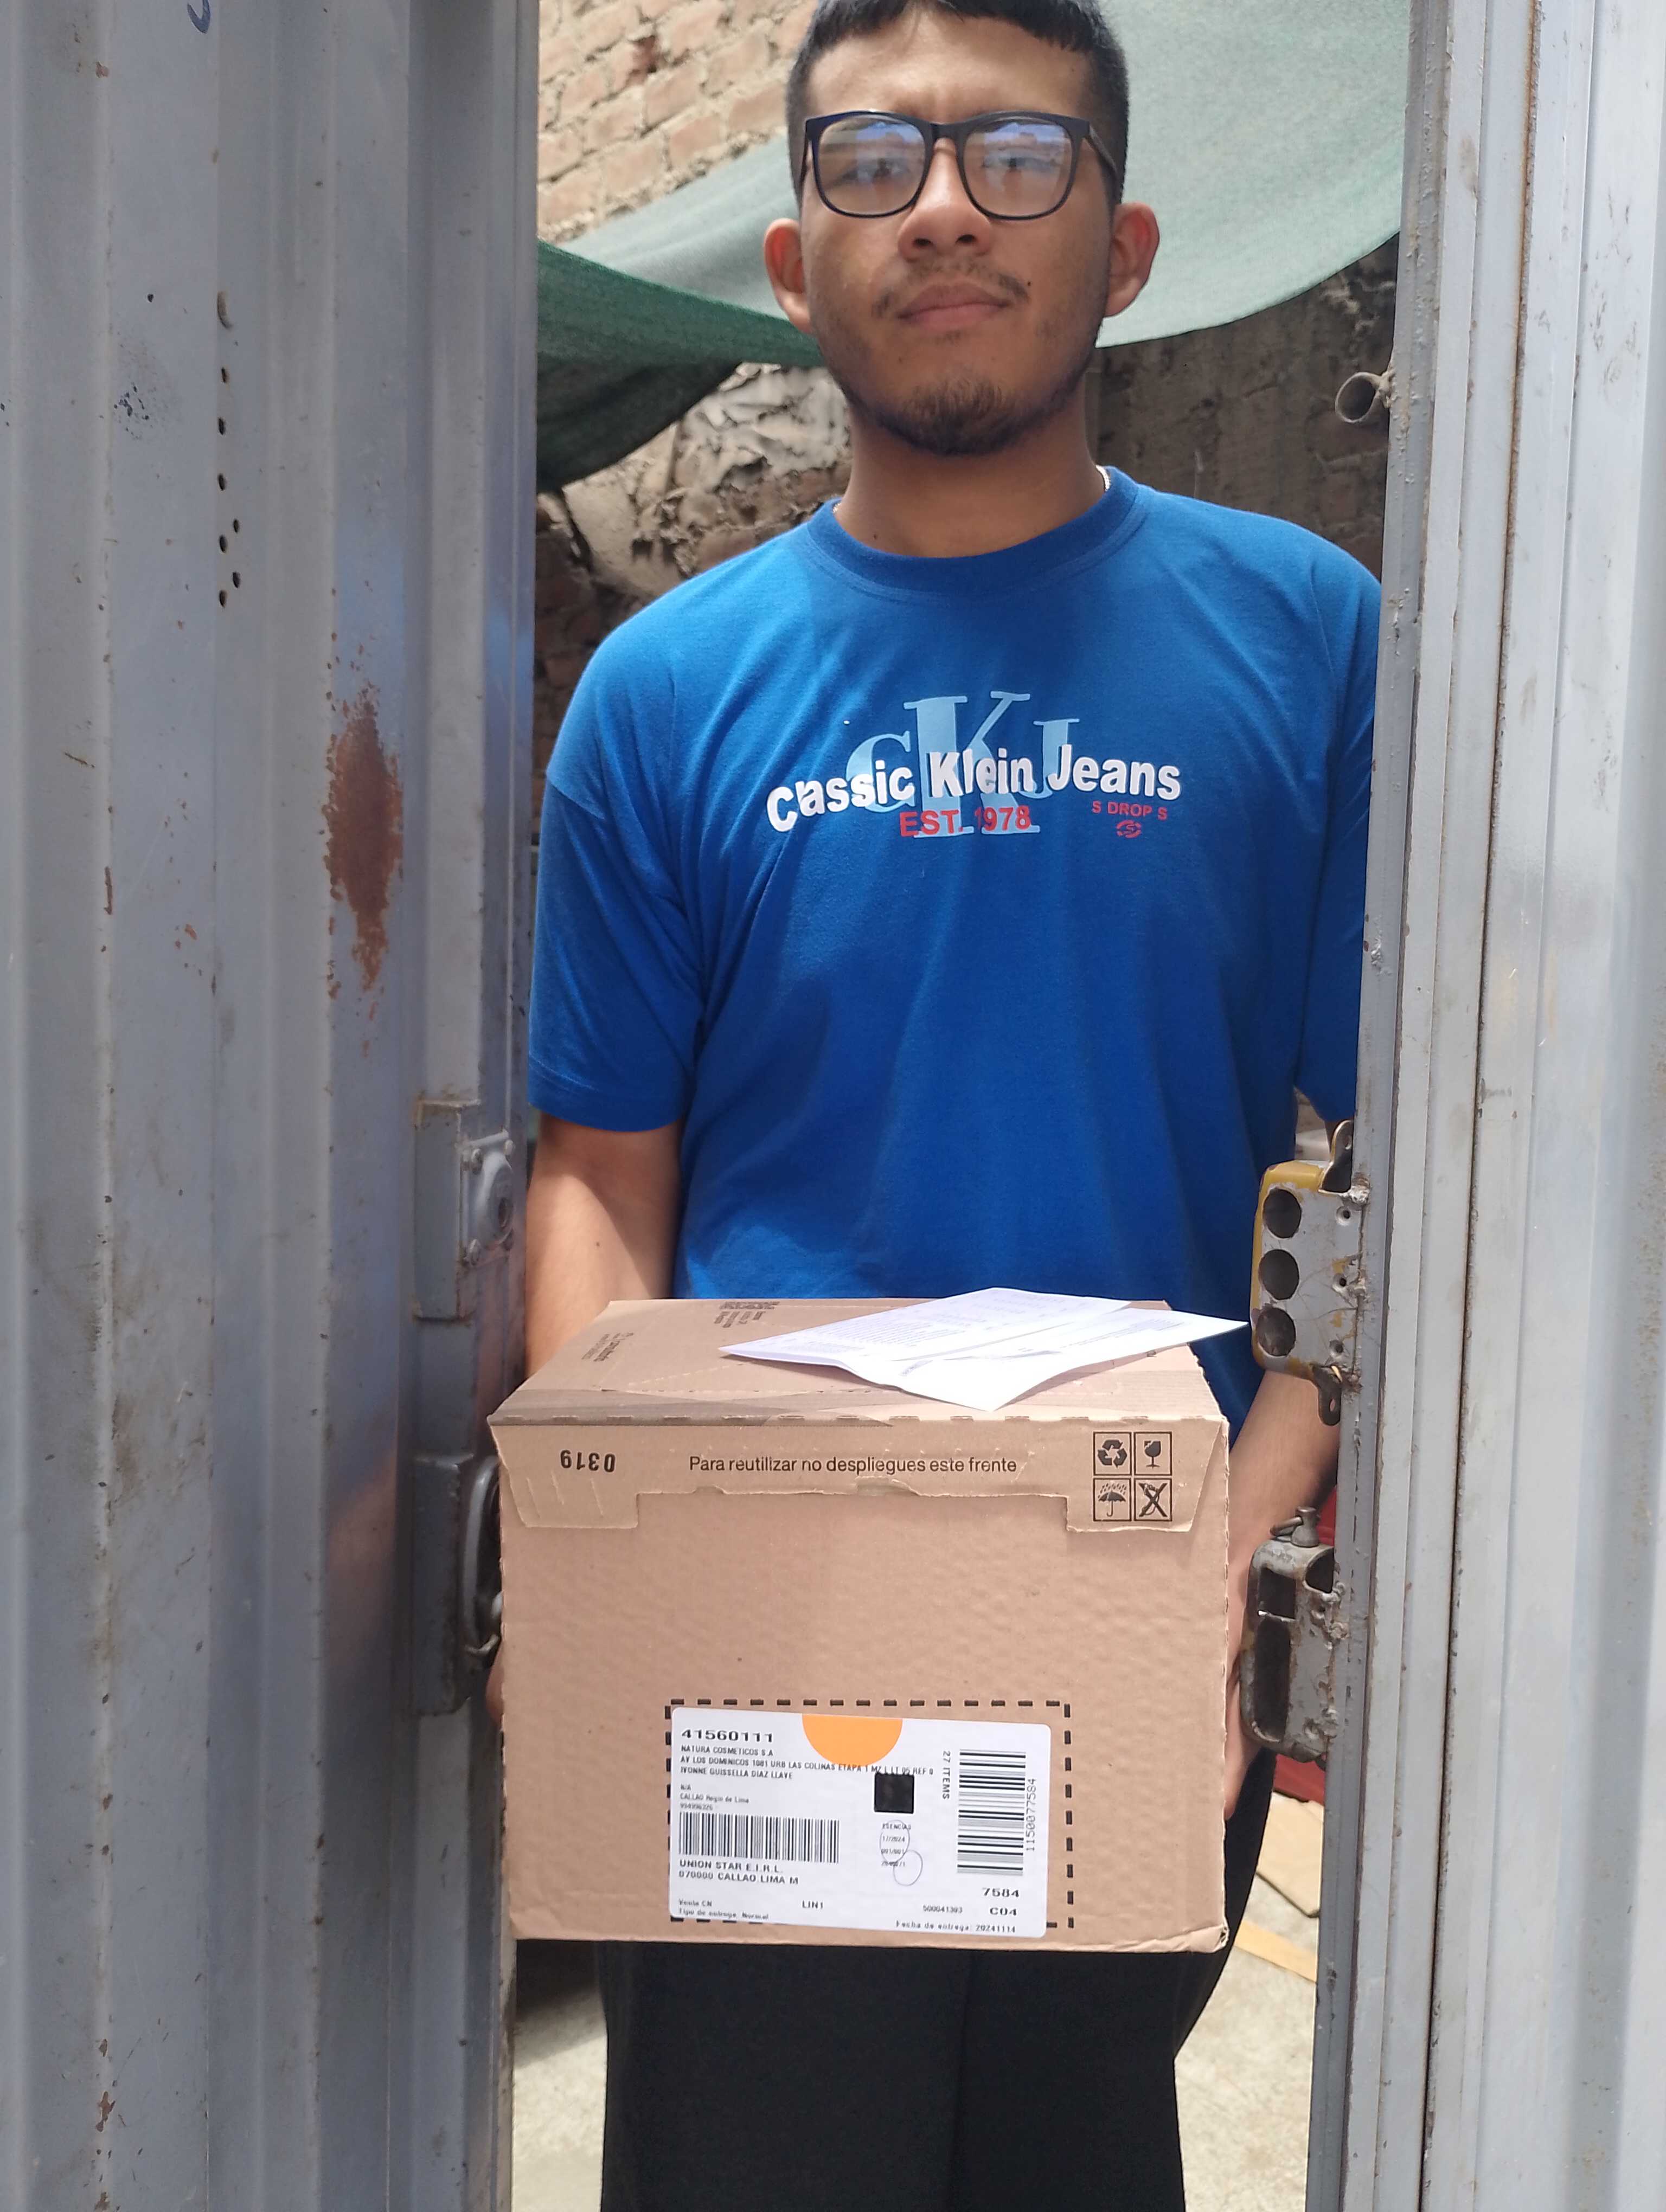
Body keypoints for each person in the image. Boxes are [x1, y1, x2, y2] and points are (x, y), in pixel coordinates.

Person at [510, 2, 1375, 2203]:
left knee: (1070, 2158)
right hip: (760, 1636)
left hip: (1138, 1606)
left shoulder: (1307, 641)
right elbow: (604, 1176)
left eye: (1020, 158)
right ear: (794, 265)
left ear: (1129, 244)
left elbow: (1391, 1162)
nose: (947, 216)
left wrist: (1239, 1529)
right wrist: (599, 1545)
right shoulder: (664, 696)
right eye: (874, 164)